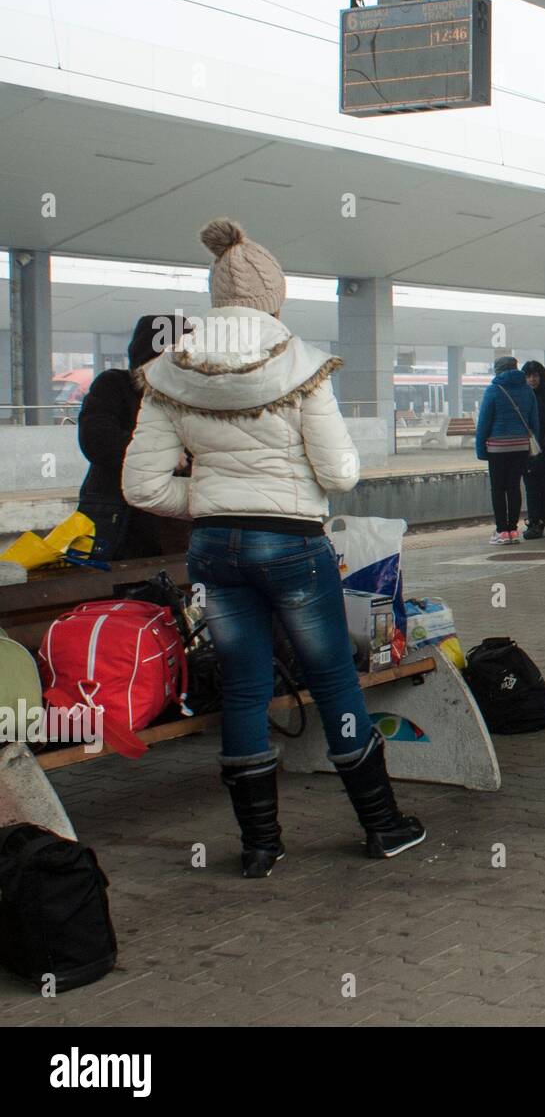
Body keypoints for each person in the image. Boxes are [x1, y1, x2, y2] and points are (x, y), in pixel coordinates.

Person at [123, 218, 424, 878]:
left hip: (213, 550)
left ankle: (260, 845)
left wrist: (207, 503)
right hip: (290, 543)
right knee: (334, 679)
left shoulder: (173, 370)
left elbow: (142, 488)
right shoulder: (299, 364)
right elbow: (341, 473)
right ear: (275, 295)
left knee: (244, 686)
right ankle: (382, 825)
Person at [76, 314, 192, 561]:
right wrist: (164, 455)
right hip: (119, 522)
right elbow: (96, 439)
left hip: (177, 528)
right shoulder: (114, 385)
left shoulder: (193, 399)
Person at [475, 355, 540, 545]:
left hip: (497, 448)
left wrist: (481, 450)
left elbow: (484, 423)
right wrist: (531, 446)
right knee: (513, 487)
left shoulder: (494, 390)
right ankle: (513, 530)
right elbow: (534, 420)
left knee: (498, 488)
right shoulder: (527, 391)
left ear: (498, 370)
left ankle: (501, 531)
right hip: (520, 446)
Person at [520, 360, 545, 539]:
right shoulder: (522, 397)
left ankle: (540, 521)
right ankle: (535, 522)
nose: (532, 380)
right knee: (531, 487)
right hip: (528, 449)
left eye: (535, 375)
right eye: (528, 376)